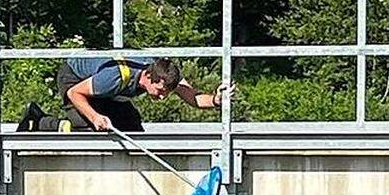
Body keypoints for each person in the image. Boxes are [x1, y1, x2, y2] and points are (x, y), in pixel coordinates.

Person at [17, 57, 234, 132]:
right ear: (149, 78)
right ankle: (41, 121)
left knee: (129, 119)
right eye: (159, 92)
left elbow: (193, 97)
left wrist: (217, 100)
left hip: (101, 87)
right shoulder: (117, 76)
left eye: (166, 93)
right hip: (74, 78)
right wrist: (95, 118)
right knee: (94, 126)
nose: (162, 97)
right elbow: (75, 93)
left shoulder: (164, 72)